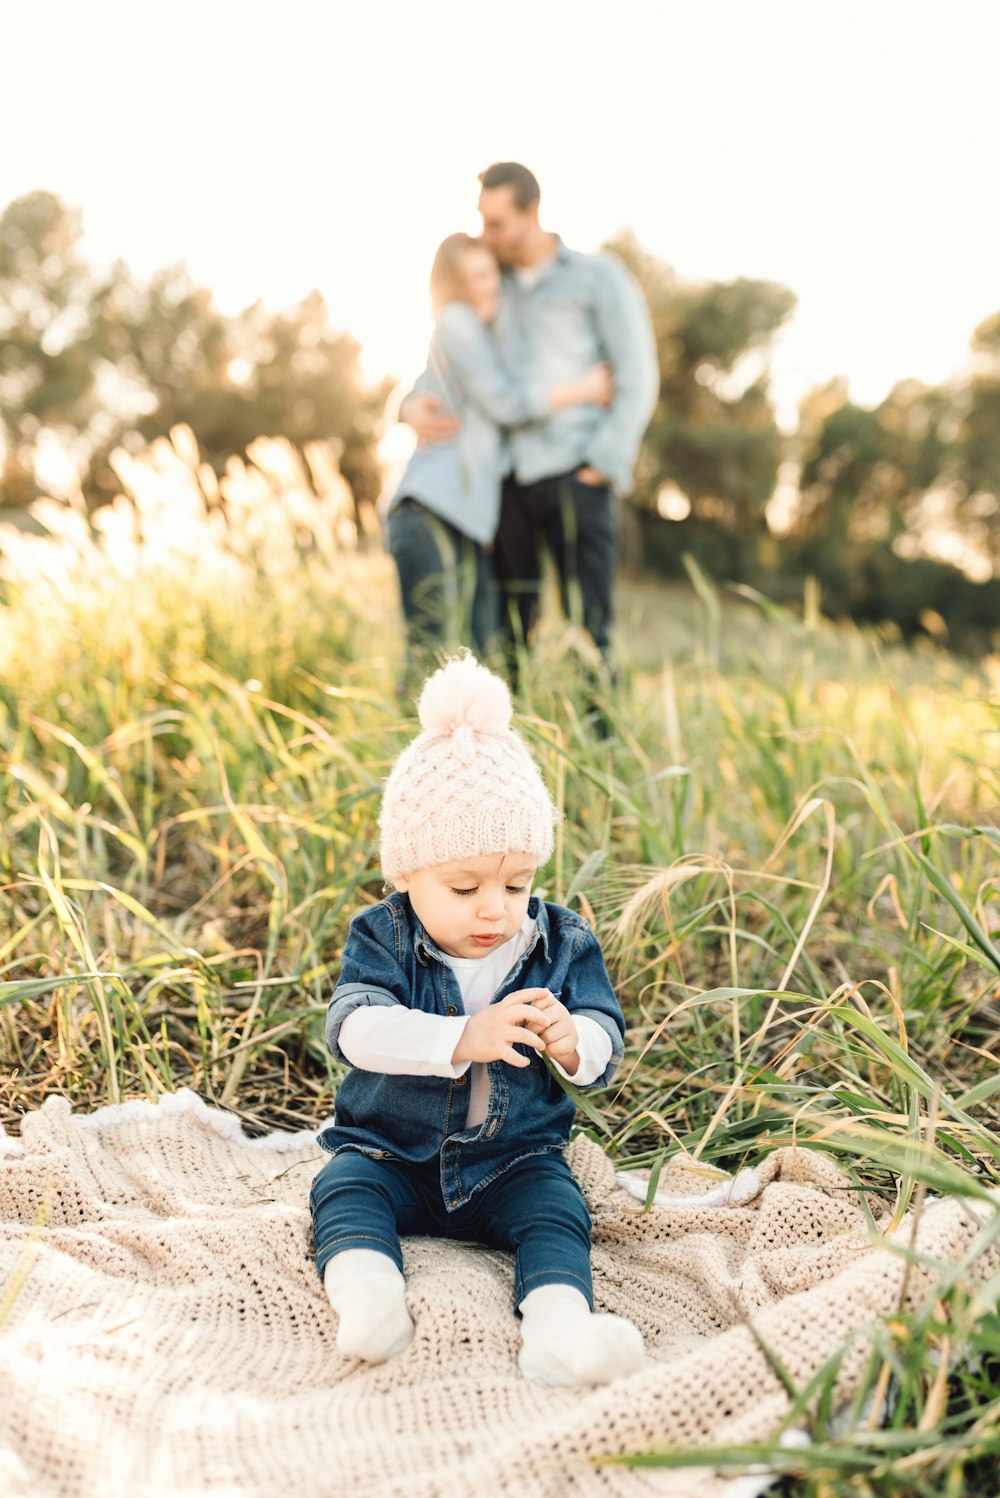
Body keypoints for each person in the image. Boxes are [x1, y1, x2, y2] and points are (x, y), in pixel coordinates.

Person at [310, 653, 645, 1387]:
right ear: (407, 874)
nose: (494, 907)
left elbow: (605, 1039)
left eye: (517, 882)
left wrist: (573, 1042)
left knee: (558, 1214)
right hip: (390, 1152)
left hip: (512, 1161)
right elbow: (352, 1027)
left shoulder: (561, 941)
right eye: (464, 886)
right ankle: (369, 1298)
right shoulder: (384, 935)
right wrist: (460, 1037)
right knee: (341, 1191)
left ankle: (560, 1333)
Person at [401, 163, 658, 672]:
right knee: (510, 637)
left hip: (576, 474)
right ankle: (512, 747)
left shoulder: (596, 277)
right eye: (481, 221)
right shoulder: (491, 285)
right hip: (508, 490)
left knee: (590, 631)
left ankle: (602, 746)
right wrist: (406, 404)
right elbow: (449, 360)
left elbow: (636, 375)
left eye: (496, 223)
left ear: (531, 212)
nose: (484, 234)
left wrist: (604, 463)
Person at [383, 232, 612, 673]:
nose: (480, 288)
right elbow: (507, 404)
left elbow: (423, 384)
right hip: (431, 511)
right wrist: (583, 389)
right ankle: (409, 745)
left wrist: (403, 406)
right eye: (467, 279)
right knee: (429, 663)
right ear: (449, 285)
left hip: (467, 523)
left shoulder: (482, 336)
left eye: (487, 275)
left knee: (477, 663)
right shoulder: (457, 322)